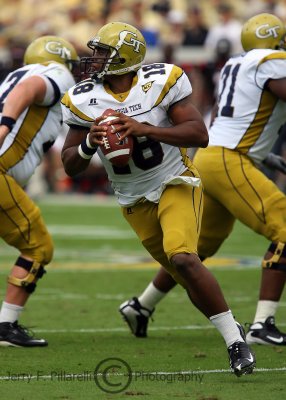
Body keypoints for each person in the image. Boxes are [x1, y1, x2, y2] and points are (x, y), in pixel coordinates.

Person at [60, 21, 255, 377]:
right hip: (133, 199)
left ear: (125, 56)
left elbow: (199, 134)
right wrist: (89, 142)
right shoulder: (82, 98)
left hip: (174, 181)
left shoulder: (160, 82)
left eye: (103, 52)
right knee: (184, 275)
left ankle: (235, 343)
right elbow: (70, 165)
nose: (95, 58)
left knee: (184, 257)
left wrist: (145, 128)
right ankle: (156, 311)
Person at [120, 13, 286, 347]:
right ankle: (262, 324)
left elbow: (242, 117)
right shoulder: (273, 61)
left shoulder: (238, 62)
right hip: (228, 161)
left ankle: (142, 305)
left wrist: (267, 156)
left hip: (214, 157)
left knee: (196, 251)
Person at [0, 35, 79, 346]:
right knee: (38, 247)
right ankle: (6, 325)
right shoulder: (55, 73)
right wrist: (5, 126)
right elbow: (28, 90)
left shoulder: (11, 76)